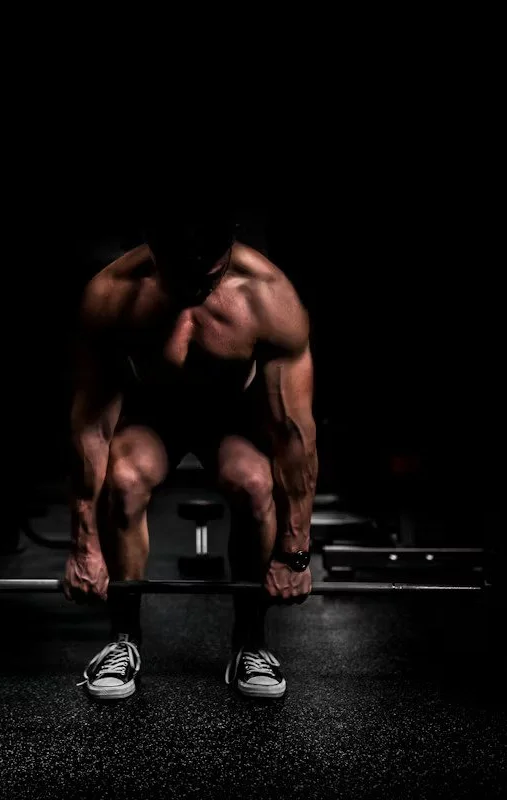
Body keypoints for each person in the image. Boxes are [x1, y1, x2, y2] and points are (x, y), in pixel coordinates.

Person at [64, 210, 317, 700]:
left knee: (256, 483)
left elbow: (292, 434)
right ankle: (123, 641)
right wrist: (83, 545)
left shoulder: (267, 296)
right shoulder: (113, 294)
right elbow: (90, 424)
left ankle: (250, 644)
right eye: (182, 274)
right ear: (154, 247)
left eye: (211, 272)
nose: (198, 287)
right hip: (153, 414)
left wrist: (295, 550)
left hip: (232, 417)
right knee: (123, 479)